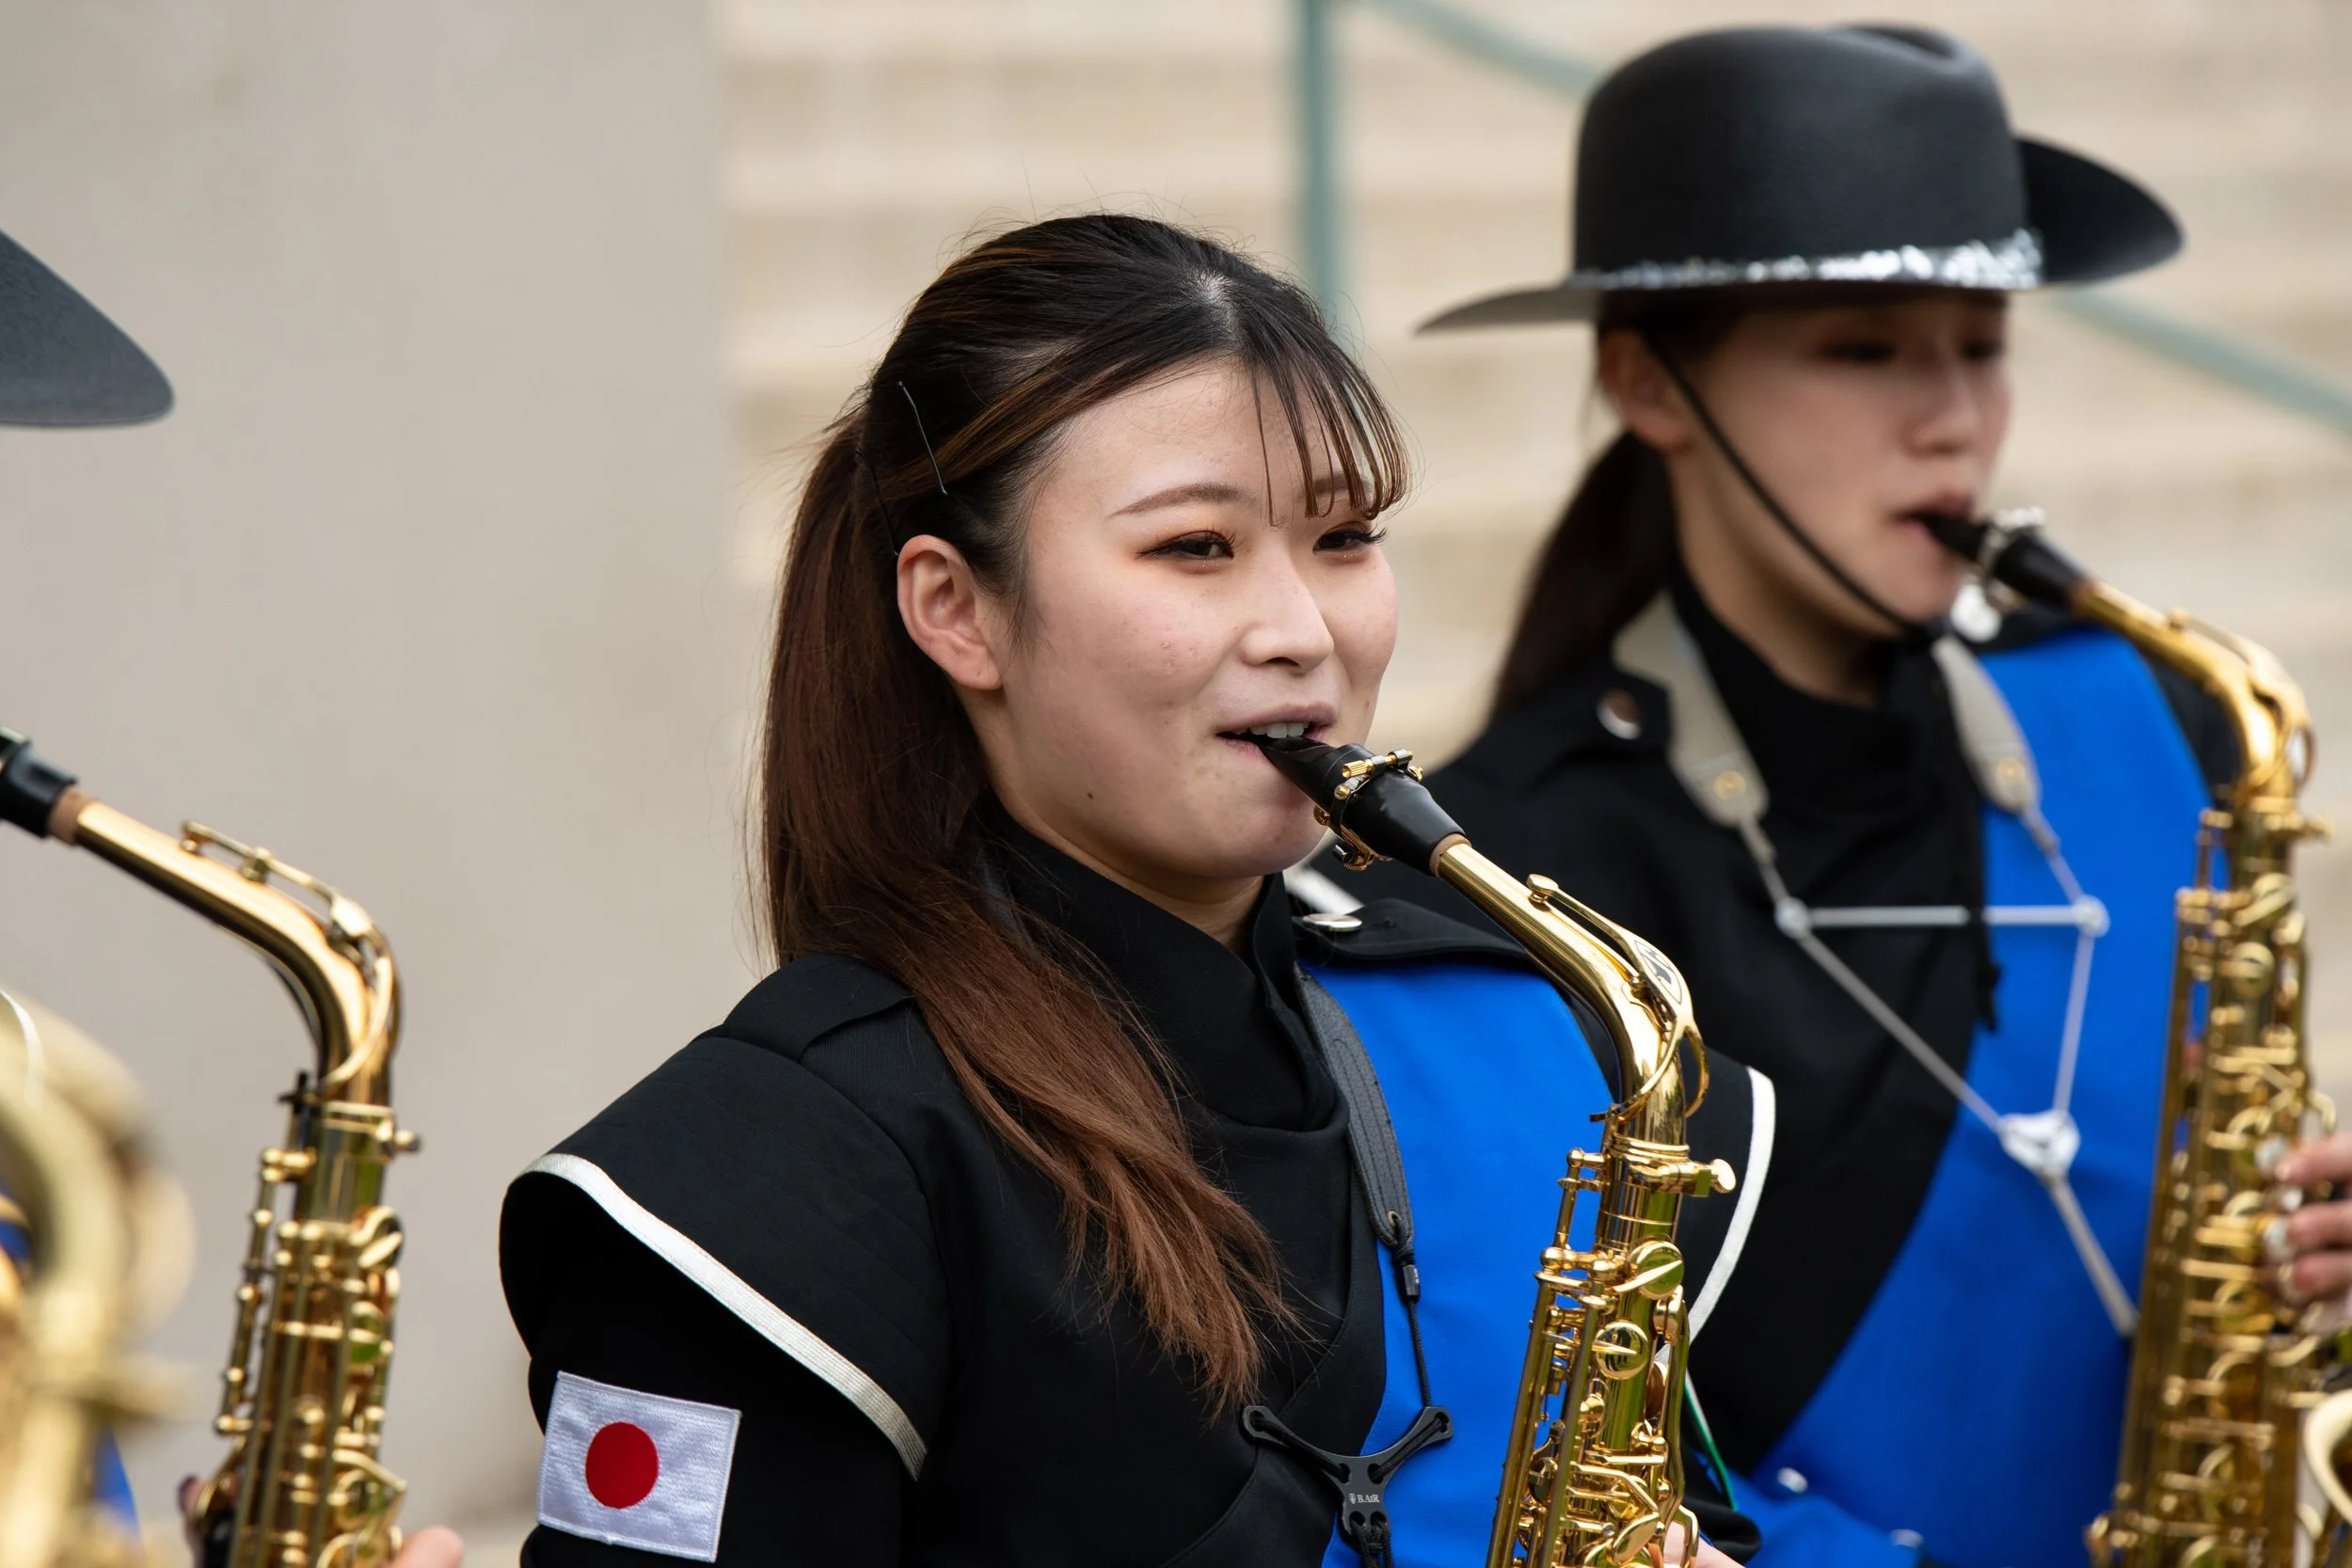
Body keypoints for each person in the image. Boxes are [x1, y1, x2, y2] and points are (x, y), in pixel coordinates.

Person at [498, 214, 1772, 1567]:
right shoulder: (767, 1175)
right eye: (1197, 547)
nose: (1306, 633)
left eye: (1345, 535)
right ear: (956, 609)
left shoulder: (1520, 1036)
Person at [1351, 24, 2352, 1568]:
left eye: (1982, 343)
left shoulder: (2152, 717)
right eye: (1866, 349)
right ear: (1648, 382)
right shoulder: (1513, 862)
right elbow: (1548, 1438)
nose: (1953, 417)